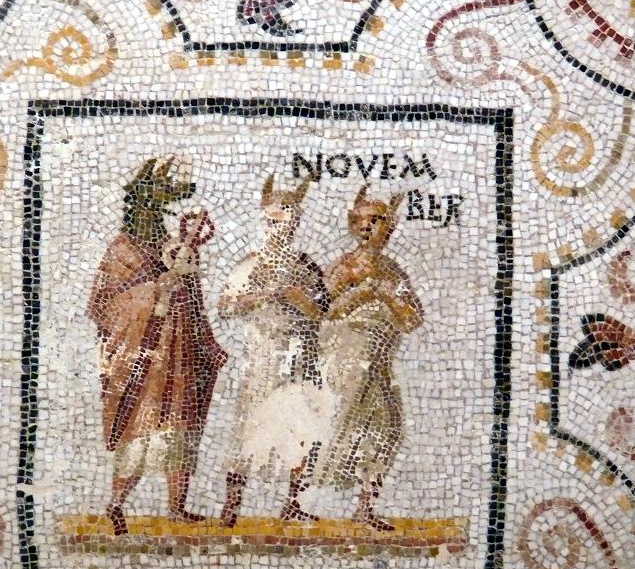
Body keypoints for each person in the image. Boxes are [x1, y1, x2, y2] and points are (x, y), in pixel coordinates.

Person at [87, 158, 226, 536]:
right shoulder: (122, 250)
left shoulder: (174, 247)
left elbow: (195, 301)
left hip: (179, 354)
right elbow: (102, 306)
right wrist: (153, 291)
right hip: (142, 360)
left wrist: (207, 342)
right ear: (136, 208)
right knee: (140, 430)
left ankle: (177, 508)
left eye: (159, 208)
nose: (154, 216)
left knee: (181, 426)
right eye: (149, 207)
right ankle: (116, 505)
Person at [218, 174, 333, 527]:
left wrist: (299, 299)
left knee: (303, 428)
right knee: (249, 427)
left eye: (284, 222)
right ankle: (231, 505)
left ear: (295, 224)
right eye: (271, 222)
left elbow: (323, 312)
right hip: (263, 357)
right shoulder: (251, 264)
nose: (277, 229)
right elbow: (226, 306)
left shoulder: (306, 266)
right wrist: (262, 296)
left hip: (300, 357)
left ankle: (293, 503)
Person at [317, 185, 424, 531]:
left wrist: (387, 297)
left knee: (388, 429)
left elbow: (412, 319)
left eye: (377, 220)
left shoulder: (393, 272)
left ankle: (365, 506)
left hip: (380, 362)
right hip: (347, 357)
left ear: (389, 228)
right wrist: (361, 293)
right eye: (362, 220)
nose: (368, 227)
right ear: (352, 225)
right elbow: (321, 312)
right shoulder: (344, 267)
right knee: (339, 424)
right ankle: (302, 501)